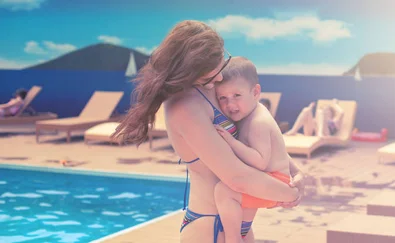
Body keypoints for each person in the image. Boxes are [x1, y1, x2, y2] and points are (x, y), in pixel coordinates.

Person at [111, 20, 305, 243]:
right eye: (211, 72)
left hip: (236, 223)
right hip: (211, 227)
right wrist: (290, 193)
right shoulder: (185, 107)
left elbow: (255, 137)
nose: (220, 77)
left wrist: (295, 171)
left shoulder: (211, 88)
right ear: (190, 69)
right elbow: (236, 177)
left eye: (222, 62)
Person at [211, 56, 292, 243]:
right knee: (244, 228)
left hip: (274, 180)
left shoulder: (258, 122)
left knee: (224, 191)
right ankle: (239, 235)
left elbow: (260, 161)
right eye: (223, 98)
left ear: (255, 92)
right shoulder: (252, 112)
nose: (230, 104)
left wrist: (231, 141)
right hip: (265, 178)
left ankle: (232, 239)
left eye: (236, 96)